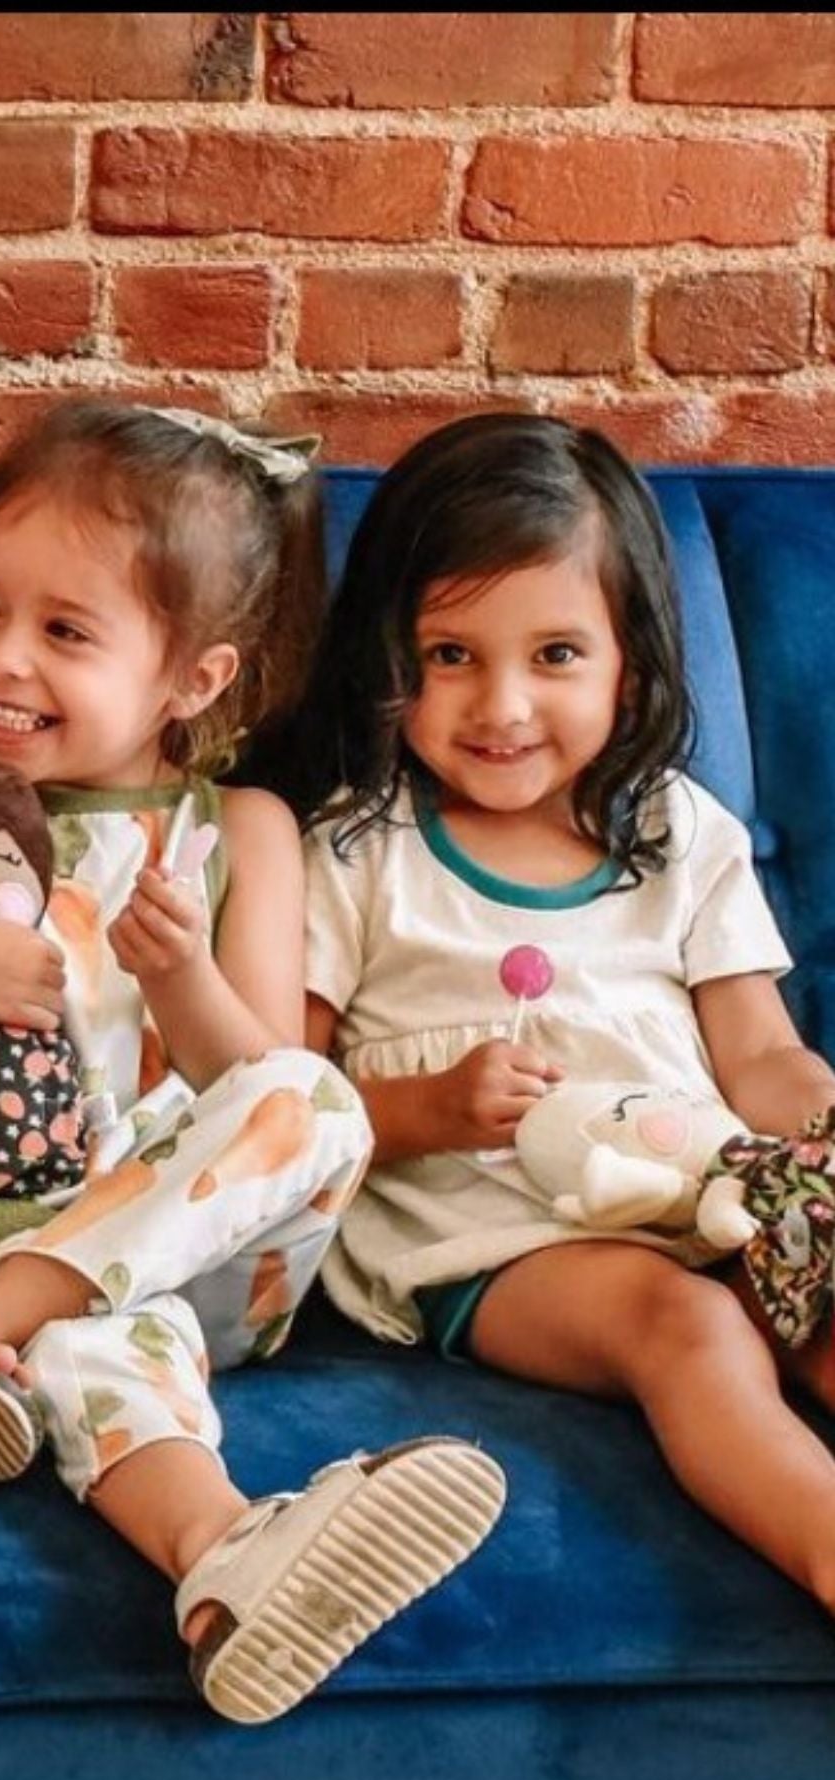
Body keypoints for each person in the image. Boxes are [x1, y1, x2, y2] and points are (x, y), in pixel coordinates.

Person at [0, 400, 505, 1725]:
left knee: (317, 1099)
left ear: (195, 680)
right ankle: (228, 1562)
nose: (0, 659)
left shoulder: (243, 831)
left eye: (65, 632)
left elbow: (265, 1092)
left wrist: (178, 975)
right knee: (107, 1344)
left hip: (196, 1252)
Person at [295, 410, 835, 1615]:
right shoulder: (355, 851)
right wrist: (425, 1108)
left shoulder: (675, 833)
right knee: (683, 1323)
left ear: (627, 665)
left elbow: (759, 1052)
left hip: (706, 1190)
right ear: (387, 656)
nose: (500, 704)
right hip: (491, 1239)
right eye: (449, 655)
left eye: (552, 654)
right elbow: (278, 1105)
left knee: (822, 1283)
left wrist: (818, 1133)